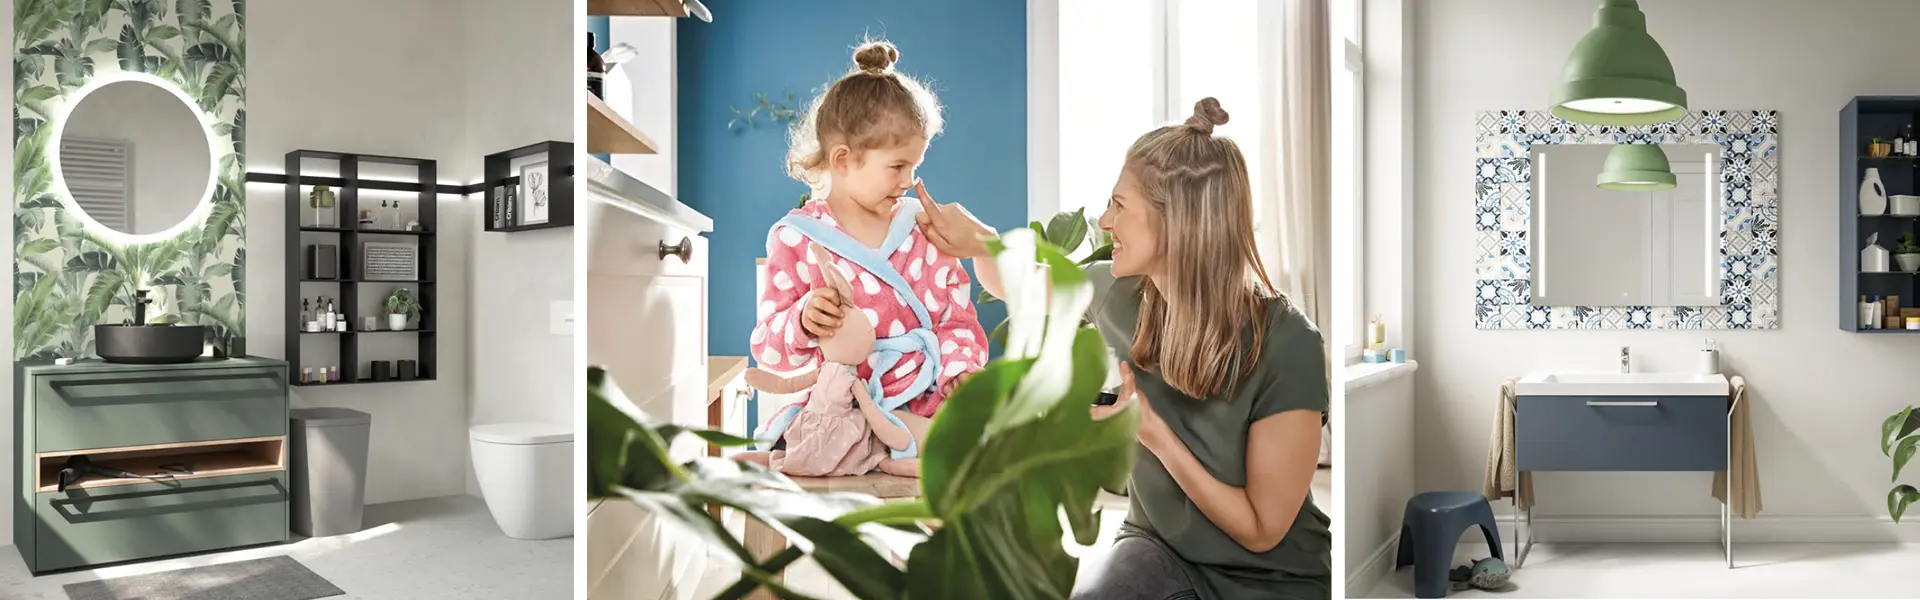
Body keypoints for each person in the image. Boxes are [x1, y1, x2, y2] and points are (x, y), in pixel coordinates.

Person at [915, 98, 1332, 599]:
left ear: (1176, 220)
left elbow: (1261, 530)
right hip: (1158, 552)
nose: (1106, 221)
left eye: (1120, 204)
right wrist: (978, 240)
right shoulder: (1119, 291)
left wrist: (1154, 434)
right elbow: (1016, 283)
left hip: (1269, 581)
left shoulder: (1289, 344)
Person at [740, 40, 992, 476]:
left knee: (987, 447)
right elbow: (768, 349)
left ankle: (894, 449)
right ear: (843, 160)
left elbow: (956, 320)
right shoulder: (796, 238)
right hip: (838, 405)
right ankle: (883, 449)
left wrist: (960, 373)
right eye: (897, 167)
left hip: (923, 401)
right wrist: (802, 321)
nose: (909, 182)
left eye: (915, 166)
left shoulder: (922, 230)